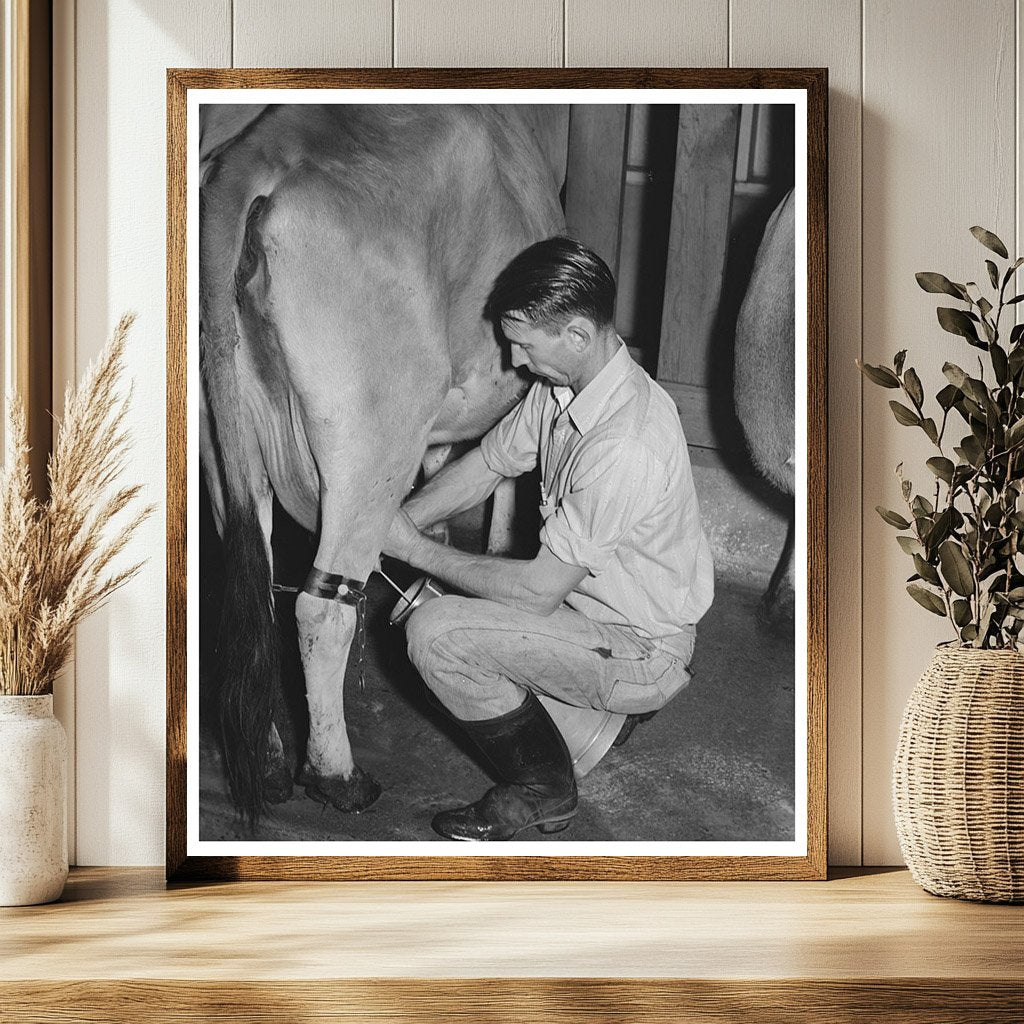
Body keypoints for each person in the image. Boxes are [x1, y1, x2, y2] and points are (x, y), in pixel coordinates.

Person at [383, 236, 714, 842]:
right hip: (586, 612)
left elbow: (536, 592)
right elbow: (490, 462)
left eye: (525, 345)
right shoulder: (565, 387)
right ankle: (579, 710)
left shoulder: (625, 440)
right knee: (445, 590)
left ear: (579, 335)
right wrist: (391, 521)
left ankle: (546, 792)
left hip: (641, 651)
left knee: (435, 631)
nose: (514, 359)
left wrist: (411, 547)